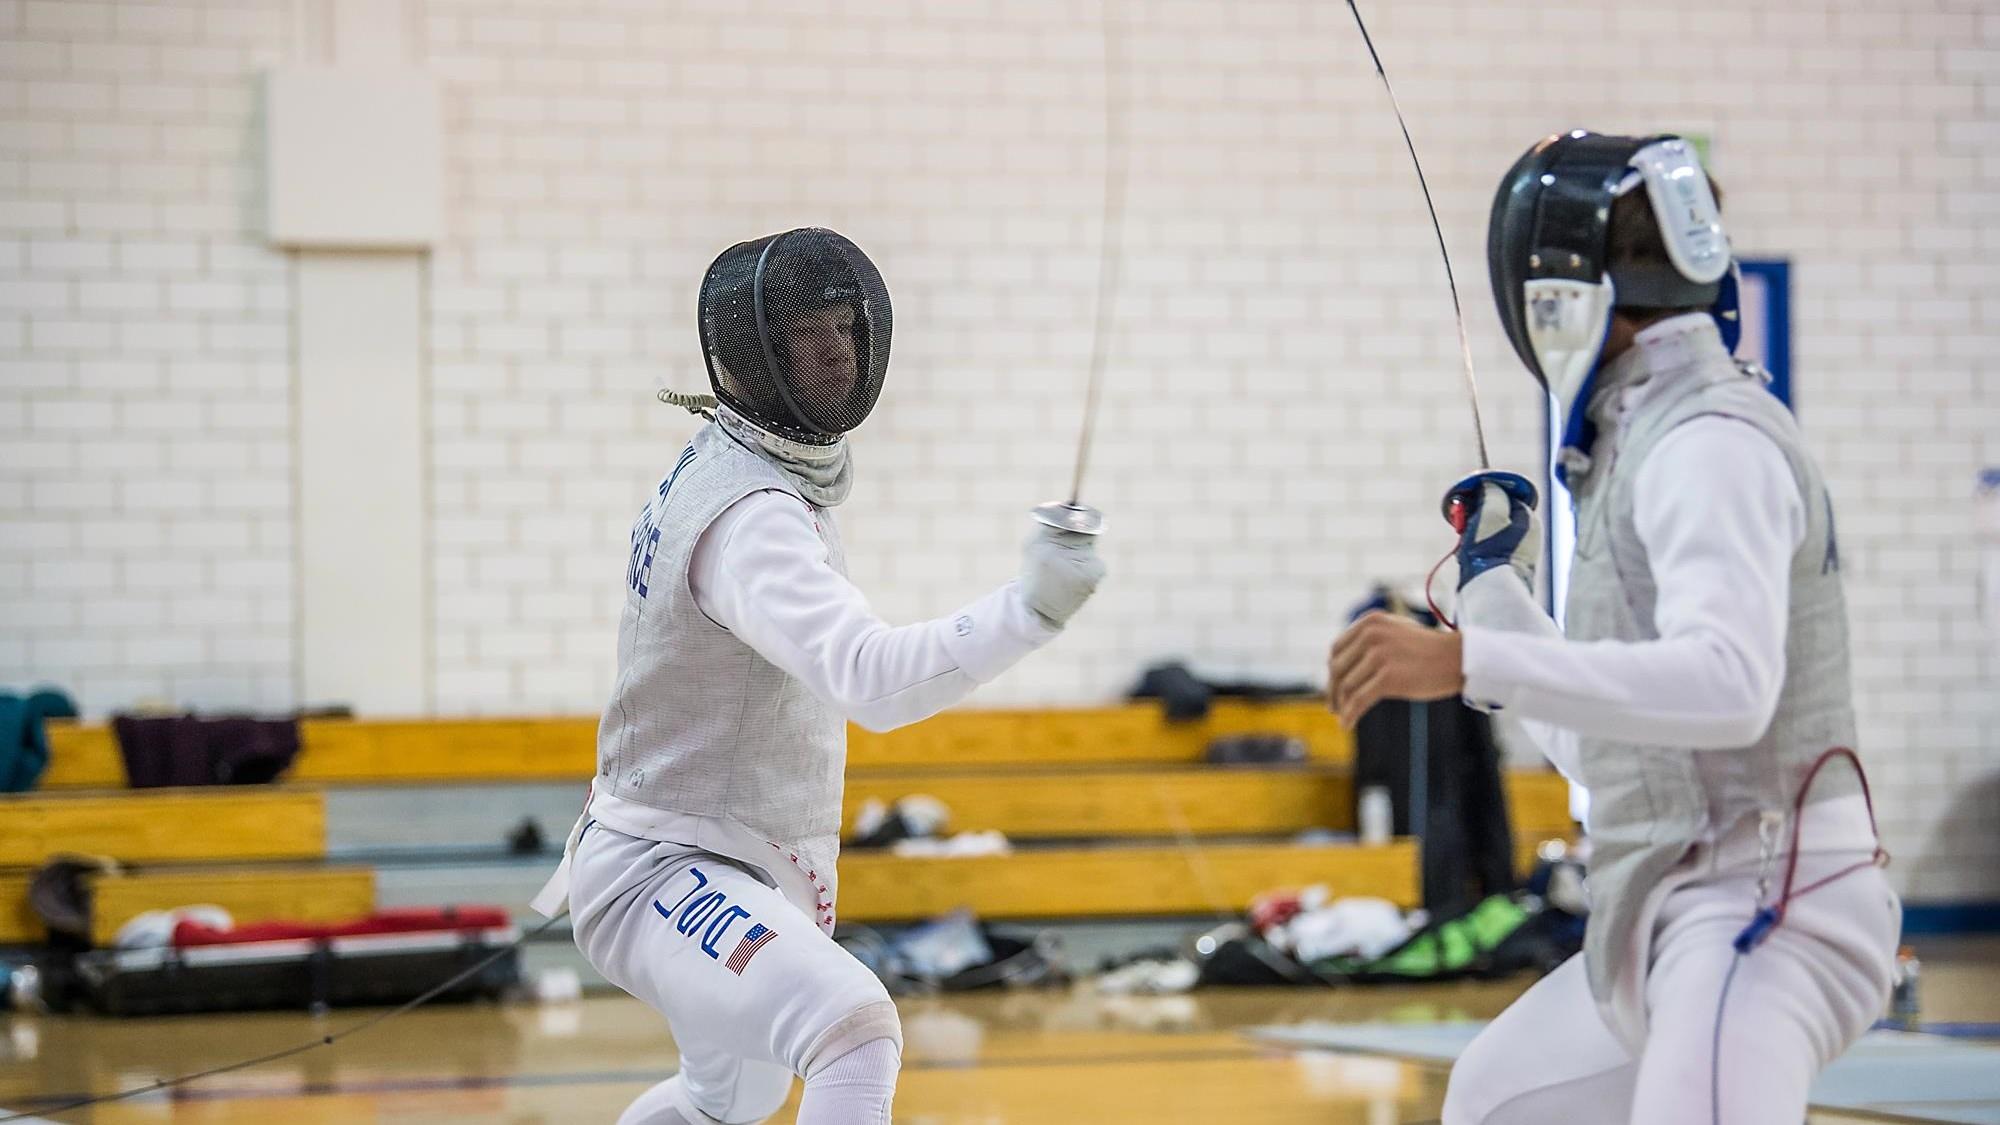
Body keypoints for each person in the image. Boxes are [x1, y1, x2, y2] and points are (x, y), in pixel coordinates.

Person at [1328, 133, 1898, 1124]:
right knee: (1497, 1098)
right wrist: (1485, 589)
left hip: (1761, 912)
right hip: (1664, 907)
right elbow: (1605, 744)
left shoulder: (1706, 443)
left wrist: (1466, 654)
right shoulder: (1641, 437)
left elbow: (1727, 688)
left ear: (1554, 293)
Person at [534, 228, 1107, 1125]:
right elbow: (868, 678)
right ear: (758, 358)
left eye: (845, 326)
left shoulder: (744, 468)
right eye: (810, 334)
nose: (837, 349)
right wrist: (1027, 610)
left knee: (716, 1106)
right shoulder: (752, 516)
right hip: (664, 870)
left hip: (722, 866)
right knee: (851, 1031)